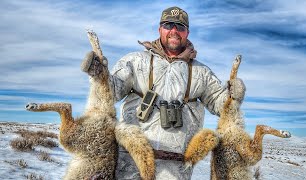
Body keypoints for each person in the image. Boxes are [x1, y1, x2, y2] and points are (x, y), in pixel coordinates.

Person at [81, 6, 246, 180]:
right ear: (160, 29)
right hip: (130, 165)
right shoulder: (135, 61)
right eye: (168, 25)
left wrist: (232, 95)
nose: (174, 31)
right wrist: (99, 75)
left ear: (187, 33)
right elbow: (112, 91)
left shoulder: (201, 73)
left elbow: (220, 104)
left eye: (180, 27)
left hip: (175, 170)